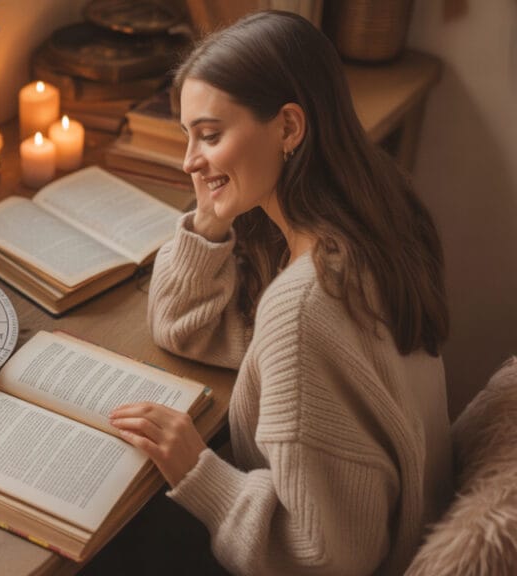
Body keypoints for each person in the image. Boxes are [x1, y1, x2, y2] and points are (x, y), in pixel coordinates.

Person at [107, 11, 453, 575]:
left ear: (289, 128)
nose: (189, 160)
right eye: (187, 136)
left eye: (211, 135)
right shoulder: (380, 214)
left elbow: (328, 557)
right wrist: (211, 214)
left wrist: (200, 471)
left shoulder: (304, 306)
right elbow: (184, 327)